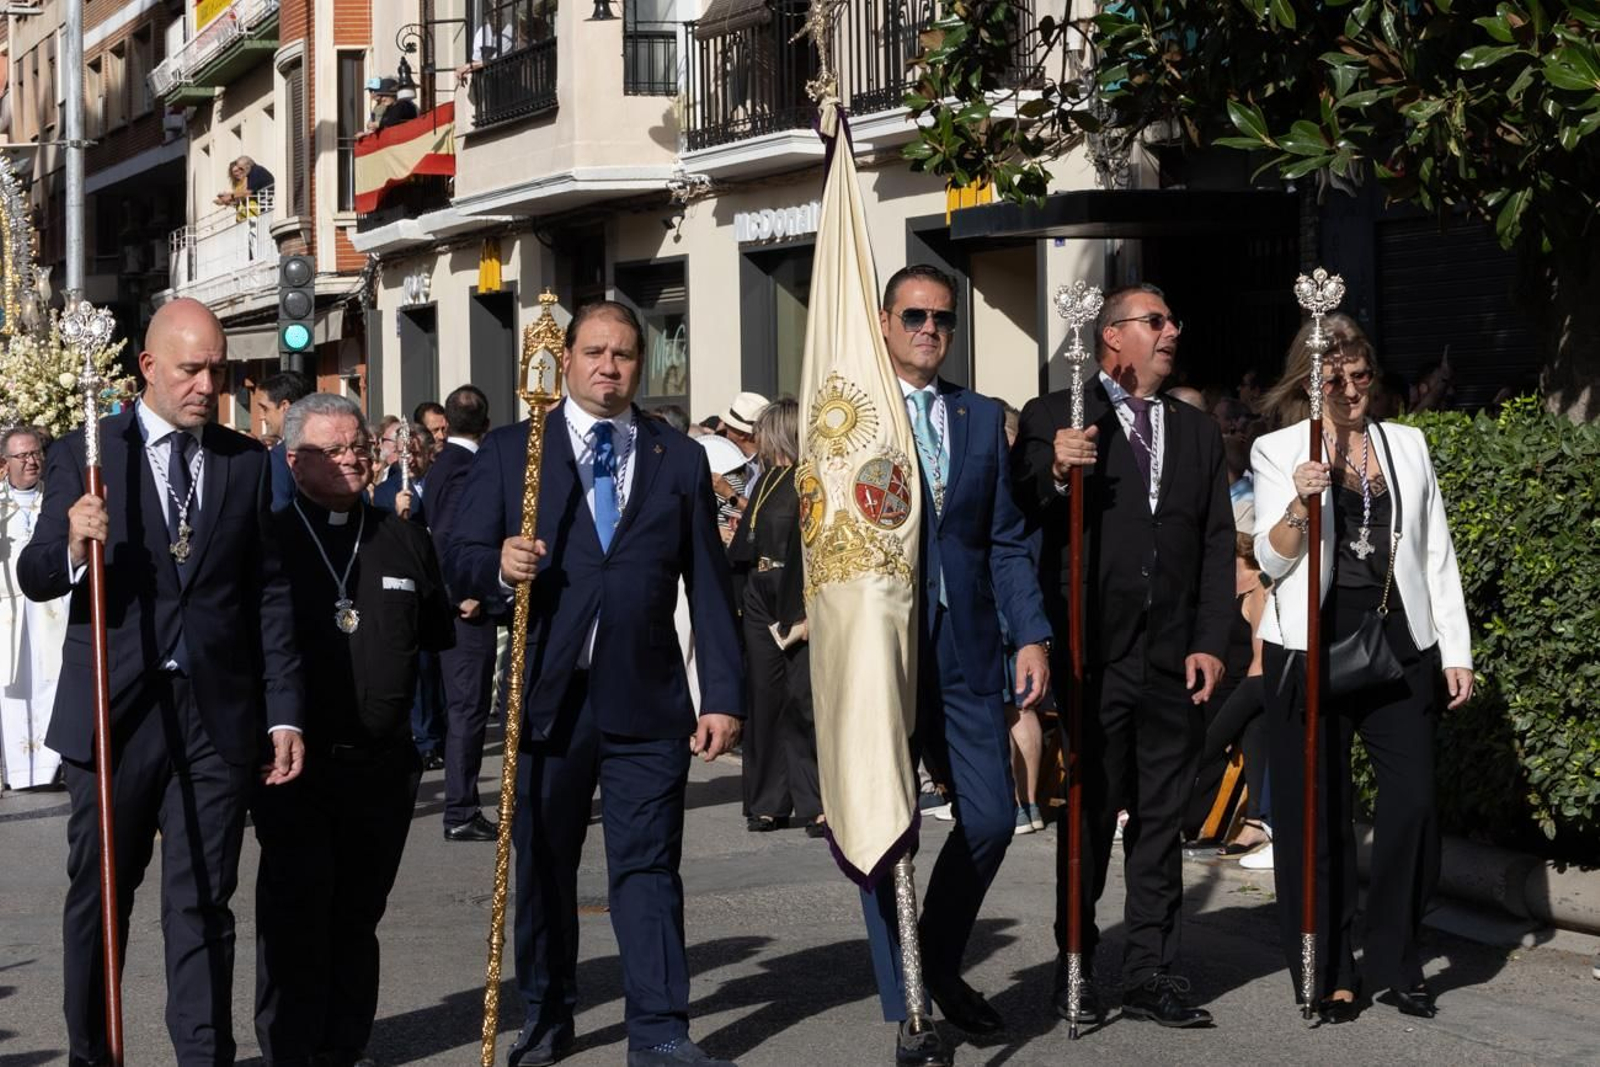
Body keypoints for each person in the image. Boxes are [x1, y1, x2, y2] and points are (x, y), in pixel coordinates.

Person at [448, 300, 743, 1067]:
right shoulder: (516, 451)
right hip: (550, 696)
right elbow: (458, 555)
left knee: (648, 867)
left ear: (639, 364)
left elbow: (709, 584)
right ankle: (547, 1015)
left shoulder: (678, 456)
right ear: (568, 359)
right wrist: (499, 565)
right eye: (594, 352)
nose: (608, 367)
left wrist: (721, 694)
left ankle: (661, 1029)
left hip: (647, 696)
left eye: (624, 354)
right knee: (545, 865)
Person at [17, 297, 305, 1064]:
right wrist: (72, 543)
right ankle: (92, 1051)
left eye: (217, 370)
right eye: (191, 370)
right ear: (148, 366)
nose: (207, 386)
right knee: (102, 893)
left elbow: (269, 592)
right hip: (115, 708)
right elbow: (35, 572)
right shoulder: (88, 451)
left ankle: (203, 1054)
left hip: (215, 714)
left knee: (203, 896)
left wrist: (283, 710)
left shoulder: (245, 462)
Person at [1014, 282, 1234, 1029]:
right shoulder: (1060, 411)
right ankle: (1076, 959)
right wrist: (1055, 467)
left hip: (1172, 654)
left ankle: (1151, 970)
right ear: (1112, 335)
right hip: (1094, 652)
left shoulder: (1195, 431)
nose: (1172, 331)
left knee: (1162, 818)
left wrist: (1210, 639)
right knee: (1088, 810)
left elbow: (1215, 542)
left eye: (1173, 320)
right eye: (1155, 320)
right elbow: (1022, 503)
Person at [1251, 313, 1473, 1023]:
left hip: (1397, 639)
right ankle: (1330, 968)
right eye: (1335, 379)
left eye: (1361, 375)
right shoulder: (1278, 449)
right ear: (1308, 383)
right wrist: (1301, 501)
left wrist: (1455, 649)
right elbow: (1271, 559)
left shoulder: (1406, 443)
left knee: (1414, 803)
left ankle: (1397, 957)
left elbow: (1435, 548)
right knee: (1318, 814)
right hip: (1310, 645)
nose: (1351, 390)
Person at [858, 264, 1051, 1067]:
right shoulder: (855, 415)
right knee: (882, 826)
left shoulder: (975, 416)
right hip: (880, 648)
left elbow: (1003, 539)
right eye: (914, 316)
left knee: (993, 816)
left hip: (966, 645)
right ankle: (911, 1004)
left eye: (943, 318)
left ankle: (934, 959)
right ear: (884, 321)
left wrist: (1030, 633)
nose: (930, 330)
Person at [252, 394, 454, 1067]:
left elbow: (435, 633)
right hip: (298, 767)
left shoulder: (404, 536)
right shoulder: (271, 538)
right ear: (294, 460)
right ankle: (290, 1049)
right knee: (296, 914)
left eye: (359, 447)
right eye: (332, 449)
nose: (351, 459)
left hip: (382, 764)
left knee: (359, 913)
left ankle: (345, 1045)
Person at [727, 399, 821, 836]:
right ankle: (767, 800)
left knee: (804, 699)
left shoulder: (809, 479)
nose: (758, 440)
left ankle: (816, 800)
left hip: (796, 593)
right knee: (764, 698)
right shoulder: (765, 480)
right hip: (759, 593)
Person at [427, 384, 500, 841]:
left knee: (464, 708)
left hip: (454, 606)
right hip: (464, 611)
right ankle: (461, 810)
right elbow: (448, 537)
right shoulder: (464, 468)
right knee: (468, 709)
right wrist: (463, 594)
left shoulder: (444, 462)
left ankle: (462, 807)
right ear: (486, 425)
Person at [1, 426, 68, 791]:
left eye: (36, 454)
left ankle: (47, 769)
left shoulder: (55, 499)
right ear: (5, 462)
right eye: (22, 455)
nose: (31, 461)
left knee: (50, 683)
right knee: (13, 691)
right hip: (9, 614)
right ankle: (18, 772)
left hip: (49, 609)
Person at [253, 369, 314, 512]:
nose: (261, 417)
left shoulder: (278, 458)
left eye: (265, 409)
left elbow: (278, 514)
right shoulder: (330, 448)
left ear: (284, 407)